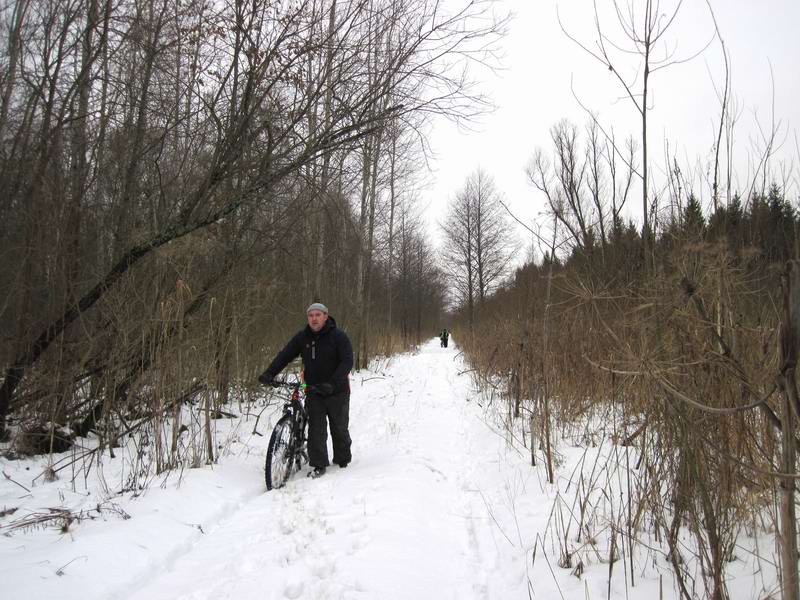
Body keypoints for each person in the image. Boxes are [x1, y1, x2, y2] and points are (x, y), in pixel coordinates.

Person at [258, 303, 353, 479]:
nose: (314, 318)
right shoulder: (303, 338)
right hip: (314, 390)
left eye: (318, 315)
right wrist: (269, 373)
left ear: (326, 316)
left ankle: (342, 458)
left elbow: (347, 362)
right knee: (316, 429)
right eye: (311, 315)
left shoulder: (338, 337)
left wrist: (332, 383)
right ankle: (319, 464)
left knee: (339, 428)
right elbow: (285, 355)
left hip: (337, 390)